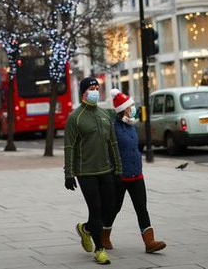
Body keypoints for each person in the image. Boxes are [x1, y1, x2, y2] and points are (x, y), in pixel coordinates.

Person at [64, 77, 122, 265]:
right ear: (83, 93)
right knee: (95, 210)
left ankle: (85, 229)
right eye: (91, 88)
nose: (95, 90)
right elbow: (69, 147)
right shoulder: (75, 117)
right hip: (85, 172)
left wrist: (118, 168)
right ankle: (99, 250)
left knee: (109, 208)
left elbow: (112, 143)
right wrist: (69, 173)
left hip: (105, 170)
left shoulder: (105, 115)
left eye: (97, 87)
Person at [102, 88, 166, 253]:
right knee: (114, 208)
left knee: (141, 208)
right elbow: (108, 151)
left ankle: (149, 242)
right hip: (120, 176)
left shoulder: (132, 127)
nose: (133, 109)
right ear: (123, 110)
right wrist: (111, 171)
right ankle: (104, 236)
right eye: (130, 107)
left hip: (137, 174)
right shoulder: (113, 128)